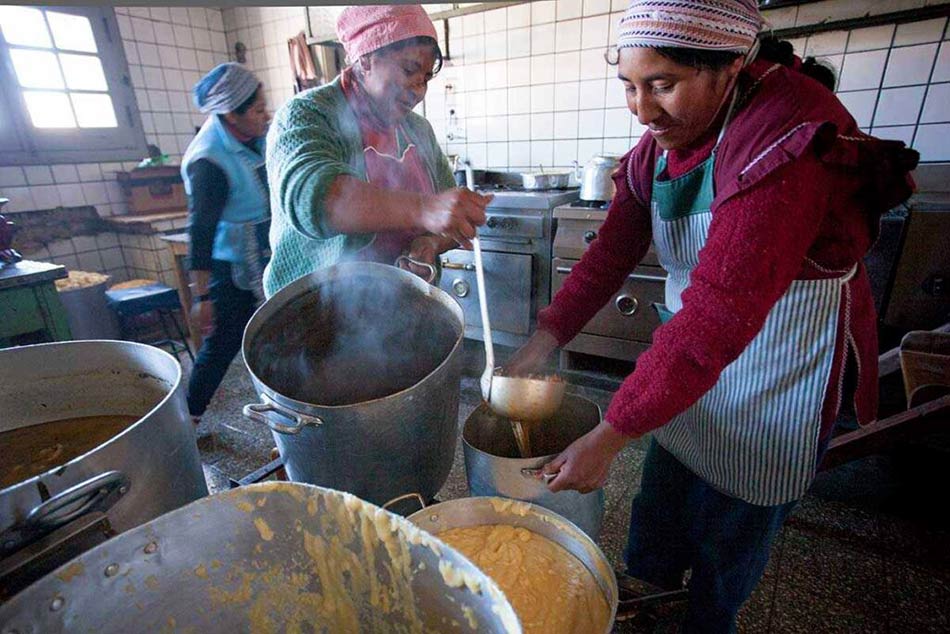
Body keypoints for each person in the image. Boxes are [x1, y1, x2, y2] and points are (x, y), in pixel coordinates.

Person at [506, 1, 918, 631]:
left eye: (662, 86)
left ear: (730, 66)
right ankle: (645, 603)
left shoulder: (787, 138)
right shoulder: (659, 148)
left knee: (730, 531)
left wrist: (610, 434)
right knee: (663, 507)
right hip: (690, 361)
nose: (643, 111)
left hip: (777, 368)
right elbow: (611, 251)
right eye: (630, 87)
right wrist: (546, 335)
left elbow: (720, 311)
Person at [264, 4, 490, 297]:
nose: (418, 89)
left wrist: (431, 242)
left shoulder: (418, 131)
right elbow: (314, 199)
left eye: (425, 77)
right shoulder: (307, 114)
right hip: (314, 314)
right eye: (409, 70)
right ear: (367, 59)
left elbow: (449, 218)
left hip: (395, 310)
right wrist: (423, 209)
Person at [181, 62, 271, 423]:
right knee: (222, 344)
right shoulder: (209, 160)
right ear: (231, 115)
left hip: (266, 251)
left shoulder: (253, 138)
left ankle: (287, 410)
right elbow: (200, 230)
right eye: (259, 110)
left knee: (276, 333)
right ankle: (188, 420)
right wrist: (202, 298)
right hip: (231, 265)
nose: (266, 116)